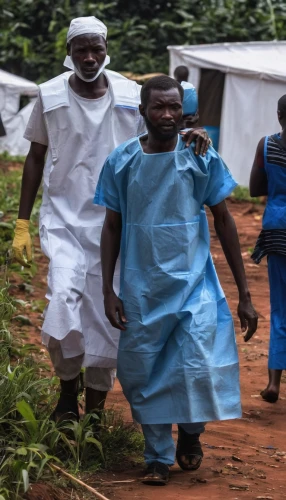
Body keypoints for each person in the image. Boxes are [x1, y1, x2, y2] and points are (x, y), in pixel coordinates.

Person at [11, 17, 209, 421]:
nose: (88, 57)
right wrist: (21, 223)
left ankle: (96, 411)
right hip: (64, 221)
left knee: (107, 317)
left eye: (95, 49)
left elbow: (159, 129)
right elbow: (34, 158)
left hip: (117, 223)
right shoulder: (49, 95)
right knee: (62, 302)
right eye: (80, 49)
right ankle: (68, 395)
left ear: (106, 48)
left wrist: (190, 132)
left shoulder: (128, 93)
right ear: (68, 52)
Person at [95, 75, 258, 485]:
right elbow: (111, 226)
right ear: (142, 112)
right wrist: (107, 289)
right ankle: (155, 455)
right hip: (141, 286)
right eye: (158, 108)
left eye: (174, 108)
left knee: (195, 363)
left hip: (193, 284)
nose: (167, 115)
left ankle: (190, 433)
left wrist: (244, 293)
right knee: (143, 369)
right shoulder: (122, 161)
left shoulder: (199, 153)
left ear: (183, 112)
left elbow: (224, 220)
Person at [250, 94, 286, 403]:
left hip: (277, 229)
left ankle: (274, 383)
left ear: (278, 115)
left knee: (279, 309)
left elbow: (254, 188)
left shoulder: (267, 144)